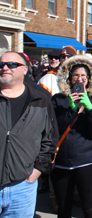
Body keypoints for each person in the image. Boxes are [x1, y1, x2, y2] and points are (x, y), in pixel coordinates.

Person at [0, 51, 59, 217]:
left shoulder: (40, 101)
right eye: (1, 64)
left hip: (22, 187)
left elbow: (50, 139)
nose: (5, 68)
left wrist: (36, 172)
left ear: (25, 69)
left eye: (12, 64)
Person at [51, 55, 92, 218]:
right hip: (62, 162)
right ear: (69, 77)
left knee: (89, 208)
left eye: (83, 76)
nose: (79, 79)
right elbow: (54, 129)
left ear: (89, 79)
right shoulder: (58, 99)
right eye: (76, 75)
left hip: (88, 160)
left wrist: (89, 108)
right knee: (63, 208)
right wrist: (72, 109)